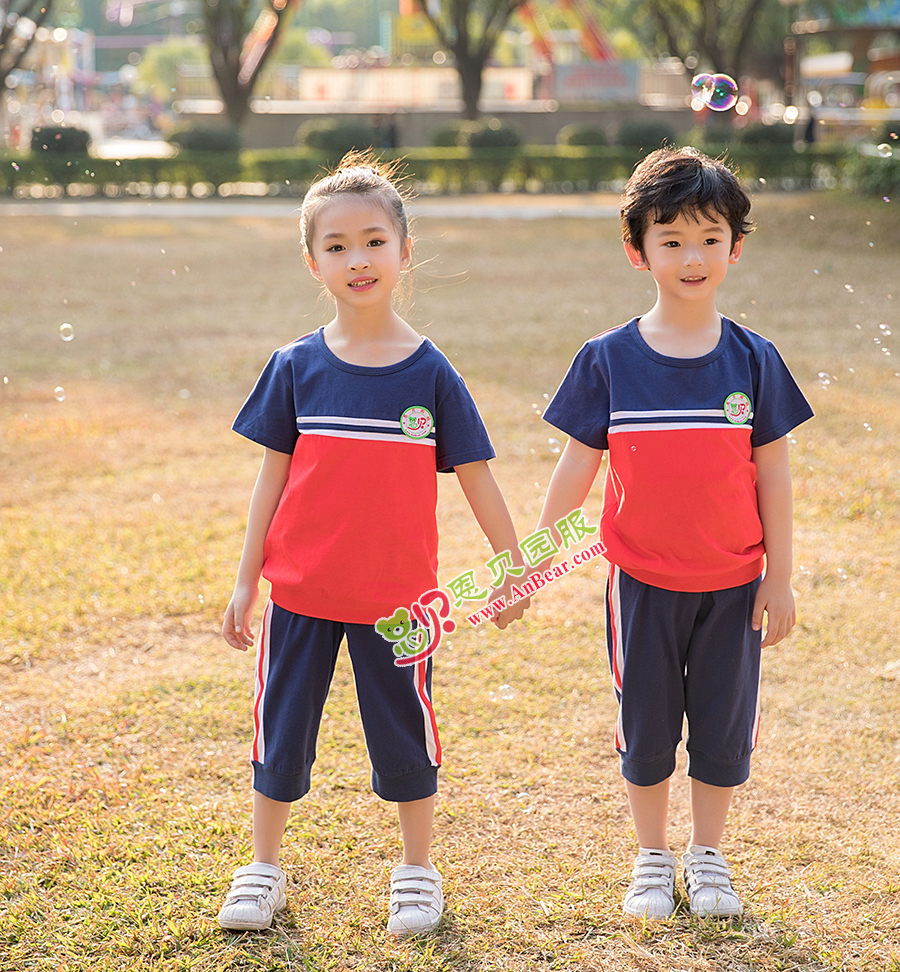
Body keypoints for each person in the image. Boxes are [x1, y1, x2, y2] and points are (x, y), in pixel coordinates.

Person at [217, 152, 527, 937]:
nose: (357, 259)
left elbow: (478, 479)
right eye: (337, 246)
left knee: (404, 735)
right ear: (312, 261)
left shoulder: (431, 373)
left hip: (399, 605)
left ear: (404, 249)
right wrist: (246, 581)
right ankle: (263, 867)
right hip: (302, 594)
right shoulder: (295, 367)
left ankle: (417, 870)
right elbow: (270, 483)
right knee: (281, 731)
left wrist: (512, 567)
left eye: (374, 241)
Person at [535, 147, 813, 920]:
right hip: (643, 584)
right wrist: (536, 551)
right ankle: (653, 858)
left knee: (722, 733)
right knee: (648, 728)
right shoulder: (608, 360)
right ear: (637, 250)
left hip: (734, 587)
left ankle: (707, 855)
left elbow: (774, 477)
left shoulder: (755, 359)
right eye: (671, 239)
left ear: (736, 247)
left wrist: (779, 575)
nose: (692, 257)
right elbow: (576, 466)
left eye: (710, 238)